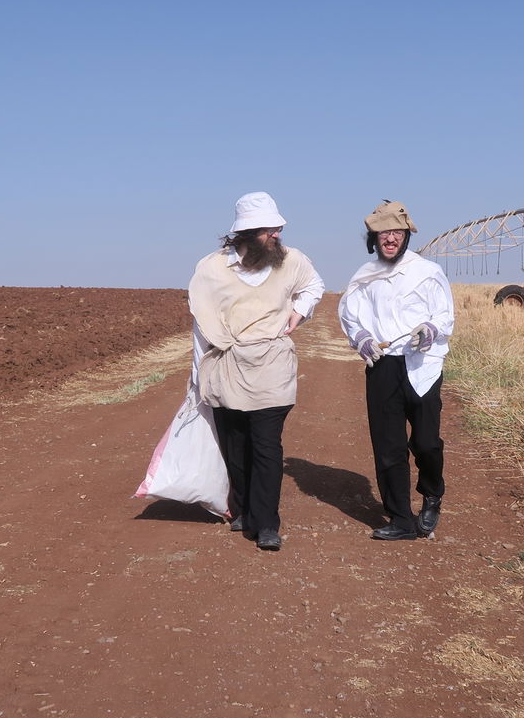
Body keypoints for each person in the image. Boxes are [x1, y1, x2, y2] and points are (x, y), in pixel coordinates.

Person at [188, 192, 324, 551]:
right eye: (268, 230)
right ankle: (244, 509)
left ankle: (266, 524)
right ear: (246, 233)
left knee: (266, 445)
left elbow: (314, 285)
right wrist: (198, 377)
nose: (276, 234)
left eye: (277, 228)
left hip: (272, 364)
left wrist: (300, 310)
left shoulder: (292, 260)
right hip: (227, 363)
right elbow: (201, 324)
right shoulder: (211, 269)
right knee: (235, 444)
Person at [338, 201, 455, 542]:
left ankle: (432, 493)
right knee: (388, 446)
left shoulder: (427, 272)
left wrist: (430, 330)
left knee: (426, 442)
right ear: (373, 238)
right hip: (382, 365)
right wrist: (361, 337)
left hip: (422, 364)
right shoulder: (365, 275)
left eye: (397, 233)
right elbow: (350, 314)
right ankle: (401, 518)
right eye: (383, 233)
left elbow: (444, 314)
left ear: (406, 236)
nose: (390, 239)